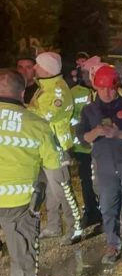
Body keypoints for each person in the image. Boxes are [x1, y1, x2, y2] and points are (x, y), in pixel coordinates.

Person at [0, 69, 63, 276]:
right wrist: (57, 204)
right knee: (22, 256)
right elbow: (55, 172)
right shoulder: (37, 124)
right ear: (23, 91)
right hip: (20, 205)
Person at [77, 64, 122, 265]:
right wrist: (96, 132)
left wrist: (118, 134)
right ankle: (112, 244)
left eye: (111, 87)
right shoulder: (89, 110)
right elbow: (83, 138)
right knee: (108, 207)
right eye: (102, 88)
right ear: (95, 87)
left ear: (116, 86)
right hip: (105, 167)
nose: (107, 92)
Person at [29, 52, 83, 242]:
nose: (34, 68)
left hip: (56, 148)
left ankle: (75, 228)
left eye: (37, 65)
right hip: (44, 148)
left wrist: (24, 116)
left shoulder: (57, 90)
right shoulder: (45, 87)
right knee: (51, 192)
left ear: (47, 68)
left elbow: (43, 117)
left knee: (63, 192)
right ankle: (54, 226)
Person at [69, 68, 101, 228]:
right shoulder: (73, 92)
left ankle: (107, 211)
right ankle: (91, 212)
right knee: (86, 180)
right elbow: (69, 117)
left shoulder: (102, 91)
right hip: (83, 146)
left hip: (101, 146)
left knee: (103, 180)